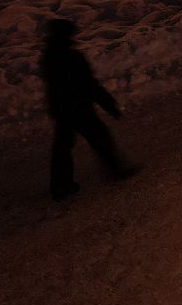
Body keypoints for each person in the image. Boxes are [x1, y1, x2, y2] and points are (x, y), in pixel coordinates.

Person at [40, 18, 137, 200]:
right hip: (79, 108)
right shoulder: (71, 57)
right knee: (99, 137)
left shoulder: (50, 56)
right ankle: (115, 169)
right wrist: (108, 103)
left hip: (62, 110)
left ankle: (60, 185)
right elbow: (89, 85)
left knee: (63, 146)